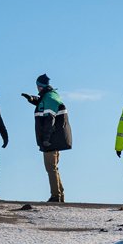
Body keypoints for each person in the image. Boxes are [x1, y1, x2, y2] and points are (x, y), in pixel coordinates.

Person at [21, 74, 72, 203]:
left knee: (50, 168)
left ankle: (56, 196)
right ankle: (59, 194)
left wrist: (46, 139)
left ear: (40, 86)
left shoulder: (49, 98)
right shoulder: (51, 96)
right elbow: (42, 103)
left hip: (51, 140)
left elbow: (50, 119)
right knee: (53, 167)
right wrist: (32, 99)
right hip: (55, 139)